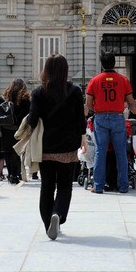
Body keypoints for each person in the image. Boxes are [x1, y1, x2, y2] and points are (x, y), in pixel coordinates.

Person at [28, 55, 88, 240]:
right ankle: (58, 214)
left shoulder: (39, 92)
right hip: (68, 146)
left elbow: (32, 120)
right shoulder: (75, 91)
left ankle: (48, 224)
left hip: (46, 146)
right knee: (64, 186)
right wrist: (83, 138)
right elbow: (80, 118)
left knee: (46, 186)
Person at [86, 51, 136, 194]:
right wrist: (130, 108)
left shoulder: (94, 81)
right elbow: (130, 101)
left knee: (100, 152)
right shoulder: (123, 80)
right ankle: (123, 186)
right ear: (114, 63)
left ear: (101, 64)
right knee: (121, 153)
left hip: (101, 117)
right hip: (117, 117)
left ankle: (98, 186)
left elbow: (89, 103)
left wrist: (99, 108)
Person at [0, 79, 31, 185]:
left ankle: (10, 174)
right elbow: (28, 114)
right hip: (18, 128)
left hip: (5, 128)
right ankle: (14, 174)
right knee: (16, 151)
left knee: (7, 152)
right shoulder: (25, 98)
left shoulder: (3, 97)